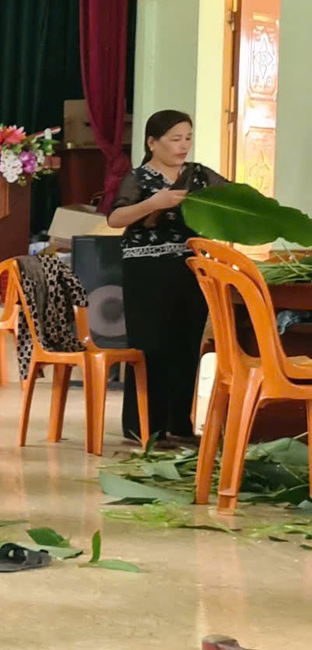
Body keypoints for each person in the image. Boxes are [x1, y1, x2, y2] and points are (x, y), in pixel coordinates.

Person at [105, 110, 224, 444]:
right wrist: (154, 203)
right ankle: (143, 426)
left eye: (188, 137)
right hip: (147, 271)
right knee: (151, 346)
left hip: (190, 271)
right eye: (175, 139)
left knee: (186, 345)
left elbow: (232, 198)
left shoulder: (198, 175)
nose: (183, 145)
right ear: (152, 143)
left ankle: (179, 425)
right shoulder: (139, 178)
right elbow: (115, 218)